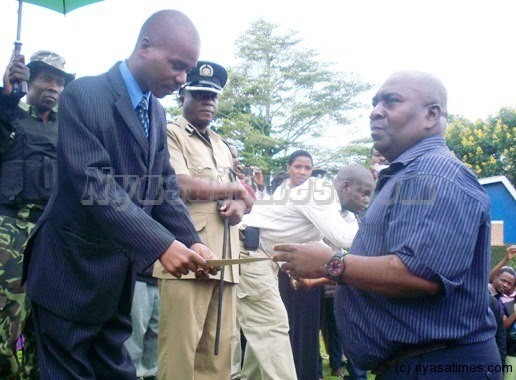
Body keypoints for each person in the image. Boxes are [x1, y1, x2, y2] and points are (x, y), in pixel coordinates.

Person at [22, 10, 217, 379]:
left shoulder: (156, 114)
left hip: (115, 281)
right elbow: (95, 184)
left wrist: (191, 242)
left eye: (187, 71)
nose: (181, 79)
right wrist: (162, 244)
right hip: (70, 272)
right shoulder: (86, 94)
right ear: (145, 47)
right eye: (177, 66)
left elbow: (164, 188)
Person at [273, 71, 502, 379]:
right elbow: (393, 265)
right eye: (374, 102)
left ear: (431, 115)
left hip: (437, 366)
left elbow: (419, 275)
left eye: (391, 101)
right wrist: (325, 276)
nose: (375, 111)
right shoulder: (406, 177)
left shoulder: (434, 175)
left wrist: (331, 264)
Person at [153, 61, 253, 380]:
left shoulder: (223, 146)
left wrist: (238, 204)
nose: (207, 101)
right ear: (183, 96)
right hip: (185, 254)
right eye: (198, 94)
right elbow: (178, 184)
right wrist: (235, 187)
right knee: (180, 351)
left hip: (225, 256)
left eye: (213, 96)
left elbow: (237, 197)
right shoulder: (169, 133)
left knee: (219, 351)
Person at [237, 150, 358, 380]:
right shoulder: (318, 192)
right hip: (250, 253)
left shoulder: (321, 201)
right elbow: (344, 238)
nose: (367, 199)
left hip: (264, 258)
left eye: (308, 167)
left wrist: (294, 272)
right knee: (273, 328)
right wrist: (365, 220)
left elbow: (296, 238)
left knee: (262, 335)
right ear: (345, 186)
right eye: (363, 192)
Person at [0, 50, 74, 379]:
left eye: (59, 82)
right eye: (46, 78)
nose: (53, 88)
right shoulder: (9, 112)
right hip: (10, 230)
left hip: (50, 234)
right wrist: (5, 94)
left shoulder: (67, 128)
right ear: (29, 78)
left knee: (43, 316)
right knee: (7, 315)